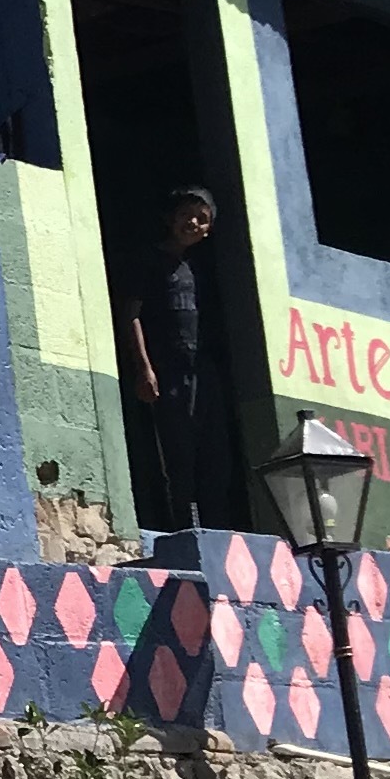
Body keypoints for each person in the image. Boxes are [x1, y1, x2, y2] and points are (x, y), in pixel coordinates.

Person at [118, 188, 229, 533]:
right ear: (171, 219)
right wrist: (144, 367)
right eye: (186, 215)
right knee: (175, 451)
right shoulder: (150, 260)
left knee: (213, 452)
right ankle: (181, 527)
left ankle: (215, 526)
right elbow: (131, 314)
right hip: (168, 370)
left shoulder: (201, 269)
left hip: (202, 370)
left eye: (202, 219)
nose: (192, 223)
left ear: (208, 230)